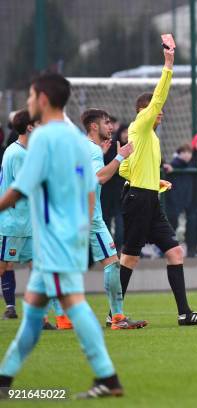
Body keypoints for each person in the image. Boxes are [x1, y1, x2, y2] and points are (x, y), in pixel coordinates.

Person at [0, 73, 123, 398]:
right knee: (33, 314)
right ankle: (4, 380)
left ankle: (108, 378)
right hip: (65, 238)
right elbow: (88, 188)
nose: (27, 103)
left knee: (73, 303)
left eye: (29, 96)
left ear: (42, 99)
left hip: (54, 239)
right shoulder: (75, 138)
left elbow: (18, 190)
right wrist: (82, 232)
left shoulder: (44, 139)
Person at [117, 43, 197, 326]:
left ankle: (185, 313)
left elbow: (124, 167)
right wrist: (168, 64)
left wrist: (151, 179)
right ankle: (115, 313)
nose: (160, 112)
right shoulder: (140, 125)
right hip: (137, 200)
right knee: (130, 258)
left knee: (174, 252)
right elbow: (159, 97)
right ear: (143, 110)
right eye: (155, 109)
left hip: (149, 197)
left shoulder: (150, 138)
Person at [79, 108, 147, 330]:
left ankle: (60, 317)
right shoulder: (92, 151)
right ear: (94, 127)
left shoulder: (84, 146)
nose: (111, 127)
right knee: (112, 263)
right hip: (89, 214)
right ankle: (117, 318)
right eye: (106, 123)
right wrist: (120, 156)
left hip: (76, 211)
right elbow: (99, 178)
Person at [0, 111, 33, 321]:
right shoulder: (18, 154)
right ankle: (10, 306)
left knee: (37, 265)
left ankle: (38, 316)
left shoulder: (25, 151)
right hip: (13, 222)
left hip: (27, 222)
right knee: (3, 265)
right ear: (30, 126)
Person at [101, 124, 128, 250]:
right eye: (124, 131)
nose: (126, 134)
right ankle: (107, 247)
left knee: (120, 219)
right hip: (107, 188)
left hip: (122, 190)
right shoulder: (111, 146)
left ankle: (118, 247)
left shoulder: (131, 148)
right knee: (105, 218)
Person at [166, 143, 195, 233]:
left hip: (186, 197)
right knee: (172, 221)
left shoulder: (192, 165)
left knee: (192, 219)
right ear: (179, 154)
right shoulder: (173, 165)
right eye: (184, 152)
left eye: (189, 153)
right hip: (174, 198)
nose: (187, 155)